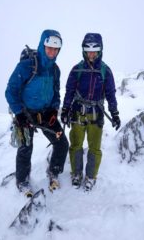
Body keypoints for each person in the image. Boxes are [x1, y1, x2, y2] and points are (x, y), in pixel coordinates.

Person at [5, 29, 69, 194]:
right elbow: (10, 91)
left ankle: (53, 171)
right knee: (26, 148)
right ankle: (23, 181)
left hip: (46, 114)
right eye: (49, 48)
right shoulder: (26, 66)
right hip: (25, 114)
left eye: (56, 49)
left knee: (62, 143)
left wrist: (54, 110)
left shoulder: (55, 70)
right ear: (42, 45)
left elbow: (55, 93)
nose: (52, 52)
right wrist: (19, 114)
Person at [61, 33, 120, 191]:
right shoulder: (77, 69)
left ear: (100, 51)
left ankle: (90, 176)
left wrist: (114, 113)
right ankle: (76, 173)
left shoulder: (105, 71)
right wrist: (65, 109)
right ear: (84, 51)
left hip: (96, 114)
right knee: (76, 145)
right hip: (78, 113)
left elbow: (110, 94)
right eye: (88, 50)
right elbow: (69, 91)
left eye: (95, 51)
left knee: (94, 147)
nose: (91, 54)